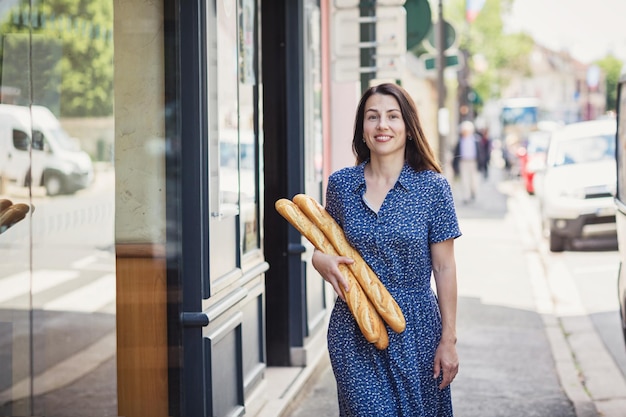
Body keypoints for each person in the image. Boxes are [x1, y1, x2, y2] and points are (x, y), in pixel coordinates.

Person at [312, 83, 461, 416]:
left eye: (393, 116)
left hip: (417, 327)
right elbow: (326, 245)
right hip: (354, 327)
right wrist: (319, 261)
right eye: (372, 117)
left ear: (408, 128)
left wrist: (448, 339)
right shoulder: (341, 185)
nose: (382, 125)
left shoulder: (432, 188)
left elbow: (445, 268)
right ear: (361, 130)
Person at [452, 120, 481, 204]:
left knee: (474, 180)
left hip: (473, 161)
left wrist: (482, 164)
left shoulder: (476, 140)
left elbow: (480, 152)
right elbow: (456, 152)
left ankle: (473, 192)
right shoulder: (460, 141)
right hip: (463, 162)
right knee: (464, 179)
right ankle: (466, 196)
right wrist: (455, 164)